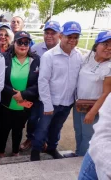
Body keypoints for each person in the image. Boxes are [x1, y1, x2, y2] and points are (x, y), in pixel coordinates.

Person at [31, 21, 83, 161]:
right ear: (61, 36)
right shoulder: (50, 56)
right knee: (42, 129)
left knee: (57, 128)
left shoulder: (78, 56)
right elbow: (43, 81)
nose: (72, 40)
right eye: (69, 37)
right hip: (50, 103)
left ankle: (52, 149)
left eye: (75, 37)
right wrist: (47, 104)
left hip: (67, 103)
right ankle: (35, 152)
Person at [0, 31, 40, 157]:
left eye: (26, 42)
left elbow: (39, 83)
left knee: (18, 130)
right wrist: (12, 93)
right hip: (6, 103)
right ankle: (1, 152)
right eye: (20, 42)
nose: (23, 45)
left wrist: (24, 94)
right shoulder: (4, 58)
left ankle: (15, 151)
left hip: (24, 105)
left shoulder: (36, 60)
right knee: (3, 130)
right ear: (14, 43)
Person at [20, 20, 61, 151]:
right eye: (46, 33)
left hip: (54, 94)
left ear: (59, 35)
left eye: (52, 33)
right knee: (32, 119)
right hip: (35, 93)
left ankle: (44, 141)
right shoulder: (35, 49)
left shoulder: (63, 50)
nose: (49, 36)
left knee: (51, 121)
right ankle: (31, 138)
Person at [73, 31, 111, 156]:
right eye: (105, 44)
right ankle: (78, 153)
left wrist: (92, 112)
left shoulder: (109, 67)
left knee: (88, 136)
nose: (109, 48)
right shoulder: (87, 58)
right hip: (79, 104)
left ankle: (81, 160)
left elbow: (106, 93)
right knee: (78, 131)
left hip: (93, 108)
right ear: (96, 45)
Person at [78, 93, 111, 180]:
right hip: (100, 156)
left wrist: (92, 112)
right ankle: (78, 154)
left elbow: (106, 91)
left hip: (91, 104)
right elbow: (102, 138)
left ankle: (79, 155)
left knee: (86, 136)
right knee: (80, 134)